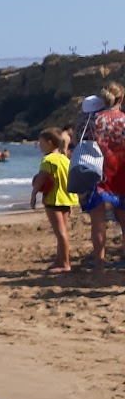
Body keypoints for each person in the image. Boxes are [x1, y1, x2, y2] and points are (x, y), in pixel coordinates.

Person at [79, 83, 125, 269]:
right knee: (123, 219)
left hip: (98, 172)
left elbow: (80, 143)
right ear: (120, 99)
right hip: (122, 171)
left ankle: (99, 262)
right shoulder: (124, 119)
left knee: (97, 220)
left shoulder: (92, 120)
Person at [30, 128, 78, 273]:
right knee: (61, 231)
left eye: (41, 142)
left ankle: (65, 264)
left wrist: (33, 195)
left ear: (49, 143)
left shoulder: (48, 159)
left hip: (54, 199)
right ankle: (59, 260)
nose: (39, 145)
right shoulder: (65, 159)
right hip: (67, 198)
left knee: (60, 233)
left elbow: (41, 178)